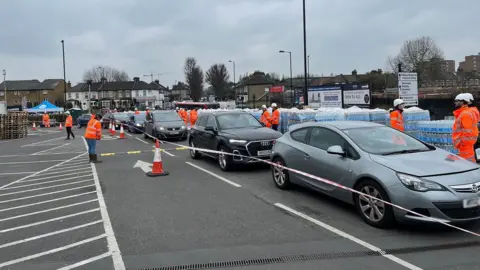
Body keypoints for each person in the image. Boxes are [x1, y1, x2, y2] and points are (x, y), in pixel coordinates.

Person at [452, 94, 477, 163]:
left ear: (462, 102)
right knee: (467, 161)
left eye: (457, 101)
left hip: (465, 144)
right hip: (465, 144)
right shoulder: (465, 113)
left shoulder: (465, 114)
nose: (455, 103)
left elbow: (468, 131)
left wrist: (463, 143)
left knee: (467, 163)